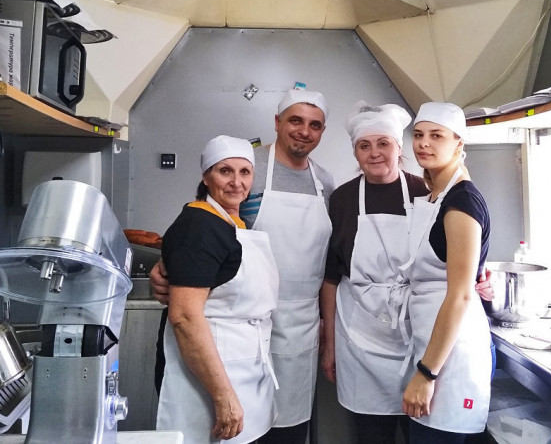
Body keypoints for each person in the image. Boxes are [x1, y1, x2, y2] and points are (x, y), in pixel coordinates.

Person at [153, 90, 335, 444]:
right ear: (277, 122)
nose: (237, 181)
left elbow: (329, 258)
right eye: (295, 120)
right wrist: (169, 264)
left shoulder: (325, 182)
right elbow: (200, 233)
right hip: (230, 327)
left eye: (315, 125)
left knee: (275, 428)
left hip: (299, 324)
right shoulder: (252, 163)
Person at [156, 135, 279, 443]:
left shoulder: (233, 223)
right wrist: (223, 397)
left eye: (245, 172)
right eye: (225, 171)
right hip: (211, 379)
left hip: (243, 368)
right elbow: (185, 317)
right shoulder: (198, 226)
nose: (237, 182)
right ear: (206, 176)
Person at [320, 101, 426, 443]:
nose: (374, 153)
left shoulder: (425, 194)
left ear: (399, 148)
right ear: (355, 153)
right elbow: (331, 279)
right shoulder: (342, 199)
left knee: (420, 431)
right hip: (359, 338)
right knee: (371, 436)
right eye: (364, 146)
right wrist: (330, 346)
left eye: (383, 143)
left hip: (415, 334)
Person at [400, 103, 492, 444]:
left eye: (436, 136)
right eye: (418, 135)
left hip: (451, 359)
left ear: (458, 144)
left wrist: (427, 374)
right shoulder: (436, 196)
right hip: (434, 346)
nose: (424, 143)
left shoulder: (462, 202)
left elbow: (461, 295)